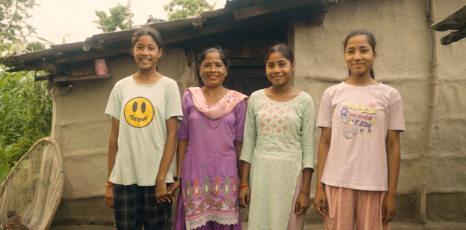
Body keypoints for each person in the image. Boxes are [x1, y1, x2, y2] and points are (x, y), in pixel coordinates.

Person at [313, 30, 406, 230]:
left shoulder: (390, 95)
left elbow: (393, 146)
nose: (357, 57)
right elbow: (325, 143)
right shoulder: (332, 93)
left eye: (364, 50)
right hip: (336, 181)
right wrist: (319, 187)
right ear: (345, 55)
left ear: (374, 55)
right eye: (350, 51)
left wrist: (391, 194)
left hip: (374, 183)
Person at [103, 27, 183, 230]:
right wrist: (109, 183)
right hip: (124, 178)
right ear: (133, 51)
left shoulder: (169, 86)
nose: (145, 53)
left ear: (160, 52)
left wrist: (161, 179)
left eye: (151, 48)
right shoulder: (121, 87)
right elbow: (114, 138)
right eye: (140, 47)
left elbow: (172, 136)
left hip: (157, 178)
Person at [238, 44, 316, 230]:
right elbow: (248, 144)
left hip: (291, 175)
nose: (276, 70)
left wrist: (305, 191)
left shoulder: (304, 101)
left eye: (282, 64)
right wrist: (244, 183)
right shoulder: (256, 98)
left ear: (293, 66)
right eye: (271, 65)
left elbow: (309, 149)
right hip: (261, 175)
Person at [172, 46, 247, 230]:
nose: (212, 70)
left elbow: (240, 143)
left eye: (218, 65)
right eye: (207, 65)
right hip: (194, 174)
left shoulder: (237, 101)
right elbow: (182, 138)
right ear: (199, 69)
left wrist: (244, 181)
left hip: (226, 176)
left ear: (226, 70)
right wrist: (178, 176)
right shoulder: (190, 97)